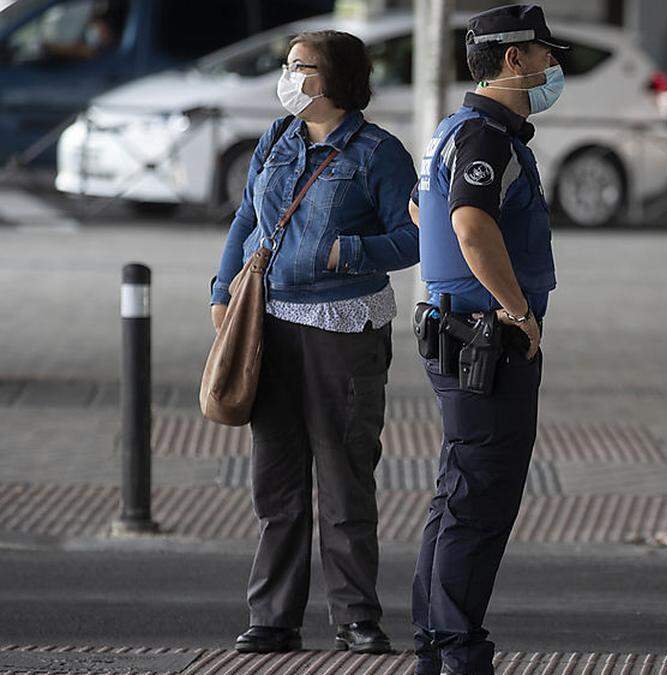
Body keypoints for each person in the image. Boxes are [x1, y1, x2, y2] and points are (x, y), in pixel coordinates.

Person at [208, 30, 420, 655]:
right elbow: (247, 217)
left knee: (345, 474)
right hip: (265, 324)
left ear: (335, 80)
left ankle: (356, 616)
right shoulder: (278, 139)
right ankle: (273, 617)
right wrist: (223, 288)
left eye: (301, 67)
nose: (289, 76)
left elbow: (416, 241)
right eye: (288, 65)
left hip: (343, 328)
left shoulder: (379, 154)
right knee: (276, 482)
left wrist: (346, 251)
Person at [406, 5, 563, 675]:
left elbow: (422, 210)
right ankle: (459, 653)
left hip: (456, 331)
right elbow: (468, 224)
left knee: (457, 496)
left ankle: (436, 643)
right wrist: (516, 308)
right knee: (478, 503)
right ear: (513, 60)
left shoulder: (453, 128)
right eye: (544, 54)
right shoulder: (487, 137)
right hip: (487, 341)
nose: (552, 66)